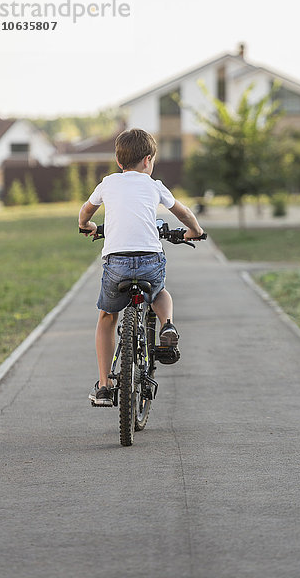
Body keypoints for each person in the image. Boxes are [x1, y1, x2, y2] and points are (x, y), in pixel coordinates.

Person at [78, 128, 203, 406]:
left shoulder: (108, 183)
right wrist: (194, 230)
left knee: (107, 317)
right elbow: (182, 212)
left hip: (117, 263)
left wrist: (85, 225)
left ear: (119, 161)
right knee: (159, 292)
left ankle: (104, 385)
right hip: (149, 260)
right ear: (148, 160)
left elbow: (86, 210)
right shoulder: (154, 185)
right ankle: (167, 325)